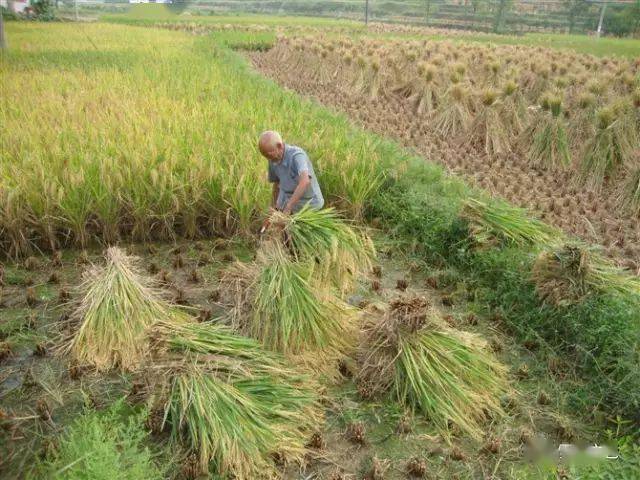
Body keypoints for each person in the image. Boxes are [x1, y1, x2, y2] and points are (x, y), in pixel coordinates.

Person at [258, 131, 324, 215]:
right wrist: (273, 207)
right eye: (266, 156)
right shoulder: (272, 159)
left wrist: (289, 206)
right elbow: (277, 183)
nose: (269, 159)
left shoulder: (297, 156)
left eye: (269, 155)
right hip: (290, 202)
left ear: (279, 146)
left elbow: (305, 181)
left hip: (309, 205)